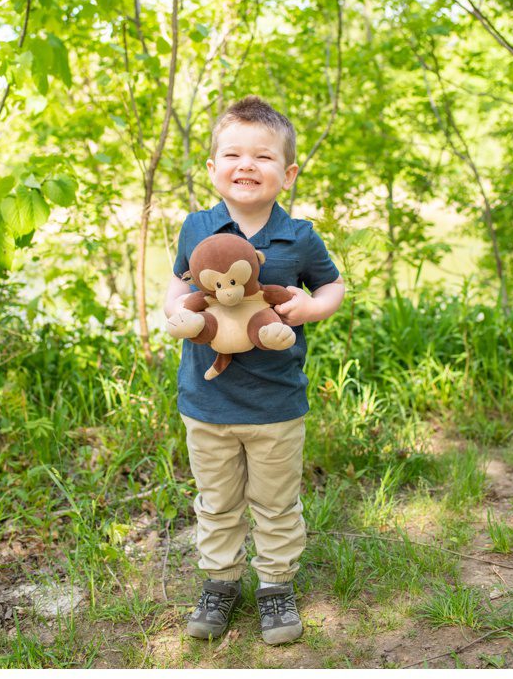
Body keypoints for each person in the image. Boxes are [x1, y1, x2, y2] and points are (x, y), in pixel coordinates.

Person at [162, 96, 345, 645]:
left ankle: (276, 585)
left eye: (263, 157)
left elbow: (331, 285)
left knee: (274, 500)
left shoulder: (300, 236)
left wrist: (311, 308)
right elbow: (178, 281)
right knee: (217, 499)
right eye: (233, 154)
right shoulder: (196, 227)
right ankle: (220, 582)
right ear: (213, 168)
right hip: (207, 399)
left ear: (286, 174)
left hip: (276, 404)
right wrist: (174, 311)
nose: (247, 165)